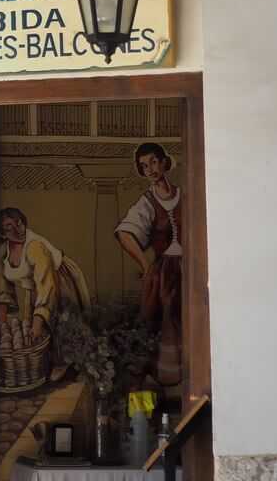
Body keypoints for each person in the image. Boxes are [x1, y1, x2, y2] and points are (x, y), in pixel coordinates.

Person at [114, 142, 183, 386]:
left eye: (153, 162)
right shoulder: (146, 203)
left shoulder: (185, 195)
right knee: (155, 322)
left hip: (189, 271)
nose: (150, 169)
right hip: (164, 273)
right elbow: (124, 233)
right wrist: (145, 265)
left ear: (164, 162)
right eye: (144, 166)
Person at [0, 207, 90, 348]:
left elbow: (46, 285)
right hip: (34, 288)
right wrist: (3, 329)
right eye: (9, 227)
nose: (17, 229)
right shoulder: (3, 252)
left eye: (18, 223)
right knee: (31, 335)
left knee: (63, 329)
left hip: (59, 281)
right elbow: (1, 290)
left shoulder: (34, 247)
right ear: (2, 233)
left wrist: (37, 324)